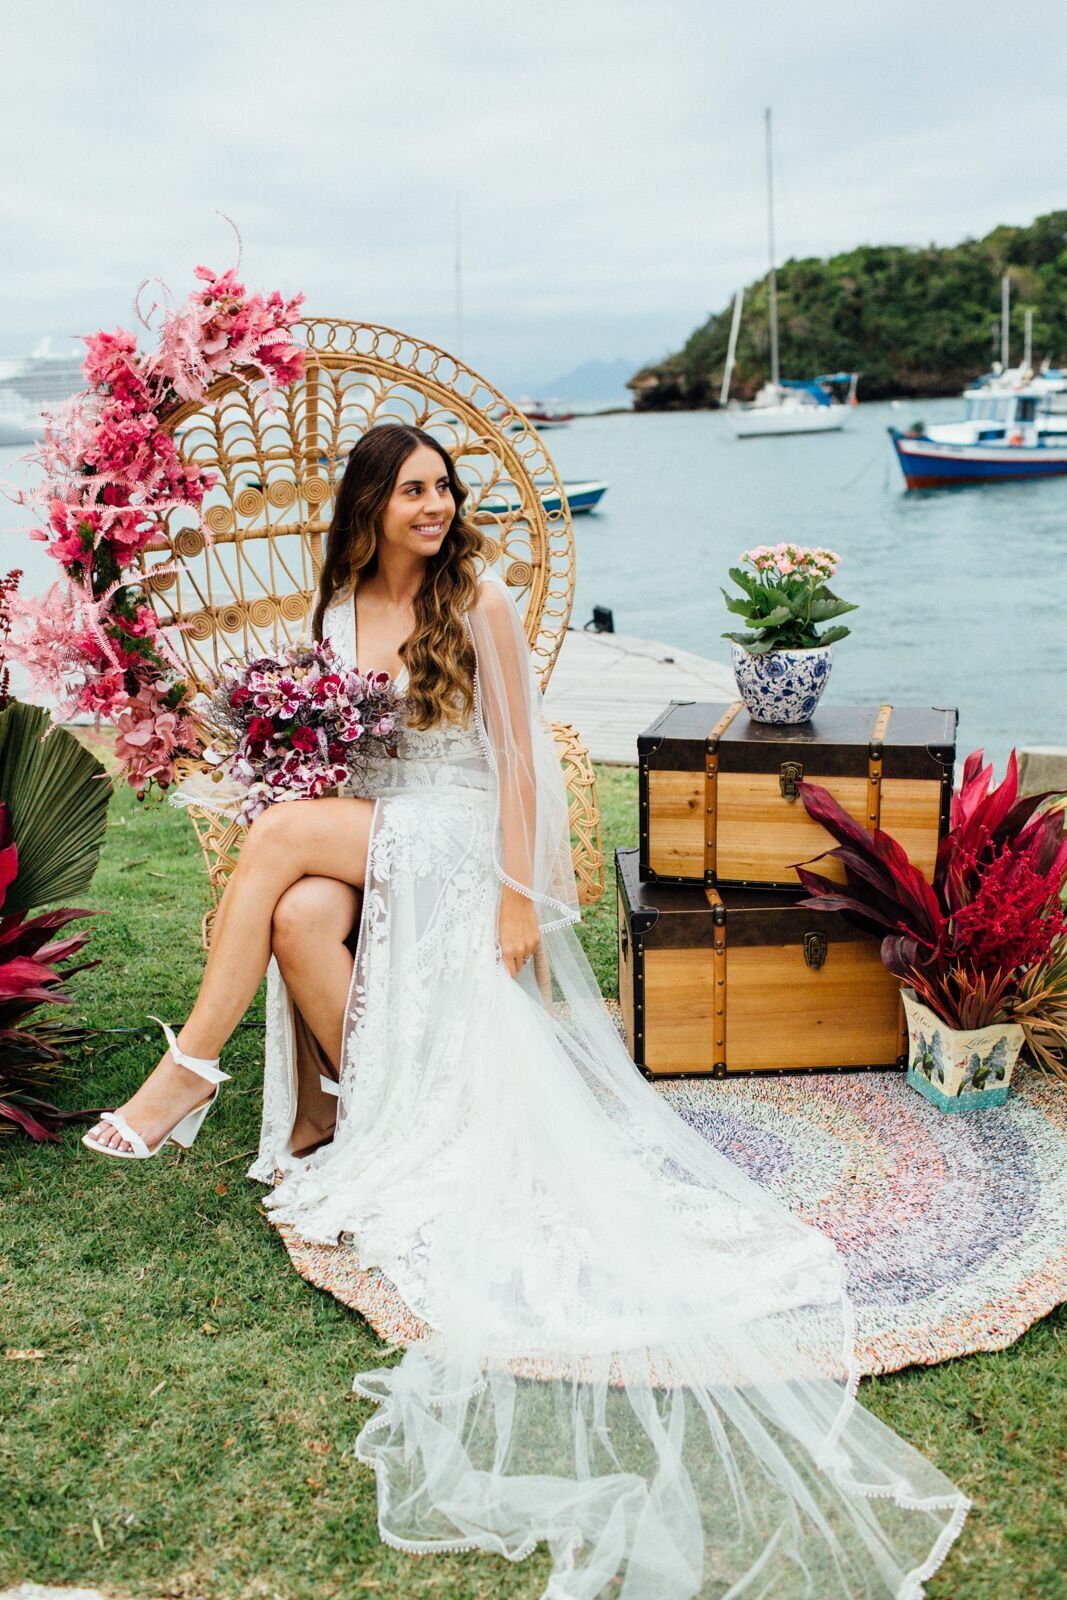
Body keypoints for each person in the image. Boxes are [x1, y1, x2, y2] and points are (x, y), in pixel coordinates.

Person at [84, 424, 970, 1598]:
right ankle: (369, 1099)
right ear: (367, 504)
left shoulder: (481, 602)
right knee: (297, 908)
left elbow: (519, 764)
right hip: (375, 828)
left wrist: (517, 899)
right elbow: (335, 761)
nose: (435, 506)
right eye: (411, 490)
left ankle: (188, 1069)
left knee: (279, 842)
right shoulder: (333, 609)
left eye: (443, 488)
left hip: (454, 836)